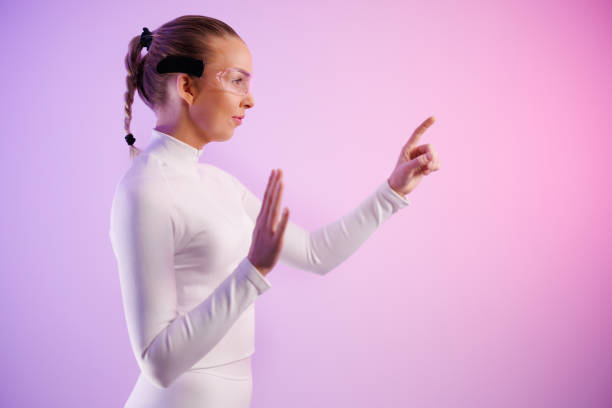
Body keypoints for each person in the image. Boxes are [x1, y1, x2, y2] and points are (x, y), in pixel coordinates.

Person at [109, 14, 440, 408]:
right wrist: (252, 272)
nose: (250, 99)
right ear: (187, 86)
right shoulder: (145, 192)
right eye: (236, 80)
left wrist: (393, 191)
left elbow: (317, 254)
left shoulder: (218, 184)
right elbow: (158, 364)